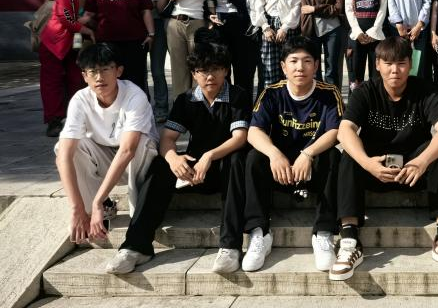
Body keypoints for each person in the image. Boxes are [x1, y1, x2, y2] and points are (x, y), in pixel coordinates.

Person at [106, 42, 252, 274]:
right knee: (160, 164)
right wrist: (174, 158)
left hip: (225, 166)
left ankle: (230, 247)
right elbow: (167, 138)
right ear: (194, 74)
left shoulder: (238, 96)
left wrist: (209, 156)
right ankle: (136, 246)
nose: (210, 76)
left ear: (226, 70)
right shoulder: (186, 100)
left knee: (237, 160)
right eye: (203, 71)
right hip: (194, 172)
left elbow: (240, 138)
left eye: (216, 69)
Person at [329, 36, 438, 280]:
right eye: (388, 63)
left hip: (414, 171)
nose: (395, 70)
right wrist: (367, 163)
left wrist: (422, 161)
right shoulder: (365, 91)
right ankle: (349, 239)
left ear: (410, 65)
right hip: (375, 169)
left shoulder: (425, 90)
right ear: (377, 64)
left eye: (401, 63)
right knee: (349, 155)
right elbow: (345, 130)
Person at [243, 37, 343, 272]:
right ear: (283, 66)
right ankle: (259, 233)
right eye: (294, 61)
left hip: (312, 165)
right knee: (253, 158)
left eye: (307, 61)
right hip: (280, 169)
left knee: (333, 157)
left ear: (316, 65)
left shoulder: (329, 93)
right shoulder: (271, 93)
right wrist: (274, 154)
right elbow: (253, 131)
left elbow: (336, 132)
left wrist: (307, 154)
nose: (300, 67)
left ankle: (323, 232)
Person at [55, 44, 159, 245]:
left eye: (105, 69)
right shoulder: (80, 99)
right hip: (107, 157)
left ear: (118, 71)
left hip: (140, 161)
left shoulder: (134, 95)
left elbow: (127, 150)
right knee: (64, 148)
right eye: (92, 72)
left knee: (139, 143)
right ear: (84, 76)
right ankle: (96, 211)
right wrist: (76, 207)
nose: (99, 77)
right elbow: (64, 156)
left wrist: (97, 200)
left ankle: (138, 215)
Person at [39, 0, 102, 137]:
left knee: (76, 80)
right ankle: (54, 120)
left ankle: (74, 117)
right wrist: (87, 29)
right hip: (55, 43)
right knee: (52, 83)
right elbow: (64, 17)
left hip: (75, 45)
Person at [85, 0, 155, 92]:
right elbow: (88, 15)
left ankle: (138, 104)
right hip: (106, 43)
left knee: (135, 79)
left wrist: (151, 34)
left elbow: (146, 12)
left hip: (134, 43)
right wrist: (72, 22)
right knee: (109, 78)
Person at [166, 0, 214, 96]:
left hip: (198, 24)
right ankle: (180, 104)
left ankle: (197, 102)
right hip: (176, 24)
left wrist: (212, 18)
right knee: (179, 68)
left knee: (198, 65)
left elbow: (210, 3)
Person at [129, 0, 170, 122]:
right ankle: (142, 105)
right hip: (137, 27)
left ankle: (161, 107)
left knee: (157, 70)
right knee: (139, 70)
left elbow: (160, 8)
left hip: (158, 26)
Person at [255, 0, 302, 87]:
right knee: (269, 70)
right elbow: (257, 5)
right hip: (268, 27)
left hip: (288, 27)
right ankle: (271, 99)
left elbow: (296, 7)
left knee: (290, 67)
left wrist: (285, 28)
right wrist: (265, 27)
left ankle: (289, 99)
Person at [207, 0, 252, 92]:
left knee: (242, 70)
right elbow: (204, 3)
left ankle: (243, 103)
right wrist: (209, 16)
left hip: (238, 25)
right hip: (219, 26)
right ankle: (225, 102)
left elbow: (241, 3)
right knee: (222, 68)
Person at [301, 0, 345, 88]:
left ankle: (333, 98)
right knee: (314, 68)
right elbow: (305, 9)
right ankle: (318, 97)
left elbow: (337, 9)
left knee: (332, 68)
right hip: (313, 29)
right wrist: (326, 9)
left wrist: (315, 9)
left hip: (333, 29)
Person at [345, 0, 388, 88]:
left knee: (376, 74)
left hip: (375, 35)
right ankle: (356, 101)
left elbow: (382, 10)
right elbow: (349, 10)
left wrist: (373, 31)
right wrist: (358, 32)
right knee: (355, 75)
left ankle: (375, 100)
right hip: (357, 36)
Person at [246, 0, 269, 97]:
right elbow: (249, 4)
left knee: (264, 69)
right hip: (252, 28)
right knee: (249, 69)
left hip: (267, 27)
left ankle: (260, 101)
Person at [337, 0, 357, 88]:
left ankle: (353, 95)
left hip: (352, 30)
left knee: (352, 66)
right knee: (337, 66)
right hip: (338, 30)